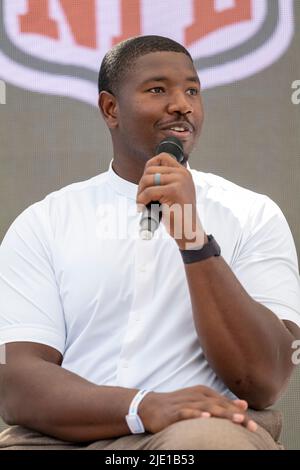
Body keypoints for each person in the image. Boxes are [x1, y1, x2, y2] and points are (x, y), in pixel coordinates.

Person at [0, 35, 299, 451]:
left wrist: (194, 239)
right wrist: (141, 406)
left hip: (196, 433)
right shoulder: (45, 222)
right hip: (61, 438)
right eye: (158, 89)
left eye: (192, 90)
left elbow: (264, 379)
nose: (182, 104)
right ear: (110, 109)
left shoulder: (252, 214)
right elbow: (15, 381)